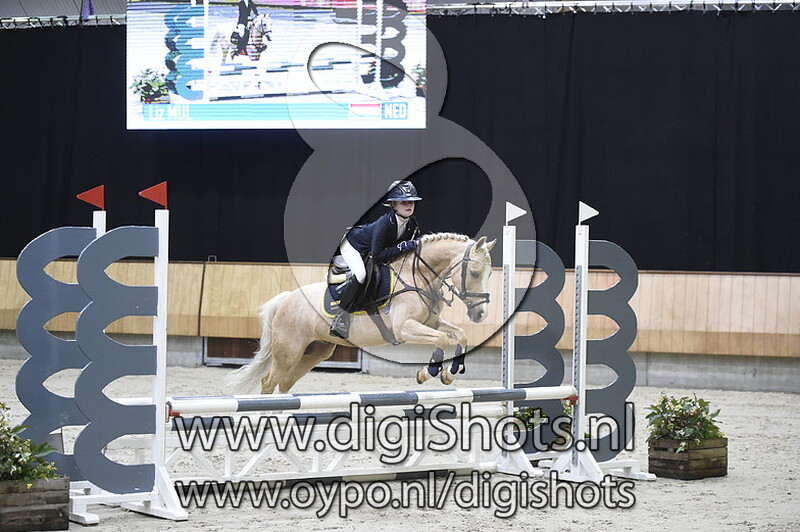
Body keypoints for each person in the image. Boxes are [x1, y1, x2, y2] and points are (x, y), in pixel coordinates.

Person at [329, 180, 422, 339]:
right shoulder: (384, 223)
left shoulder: (412, 224)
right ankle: (340, 318)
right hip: (353, 245)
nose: (409, 205)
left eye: (411, 202)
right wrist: (402, 247)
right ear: (394, 205)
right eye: (404, 202)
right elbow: (377, 256)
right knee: (361, 274)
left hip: (372, 249)